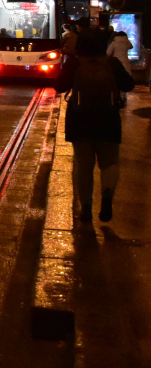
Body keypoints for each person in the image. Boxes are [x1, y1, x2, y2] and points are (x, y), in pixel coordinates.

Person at [53, 28, 135, 223]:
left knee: (83, 164)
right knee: (110, 162)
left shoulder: (74, 64)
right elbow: (129, 85)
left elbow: (59, 87)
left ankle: (86, 207)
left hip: (79, 121)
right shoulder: (113, 64)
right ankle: (106, 196)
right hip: (108, 119)